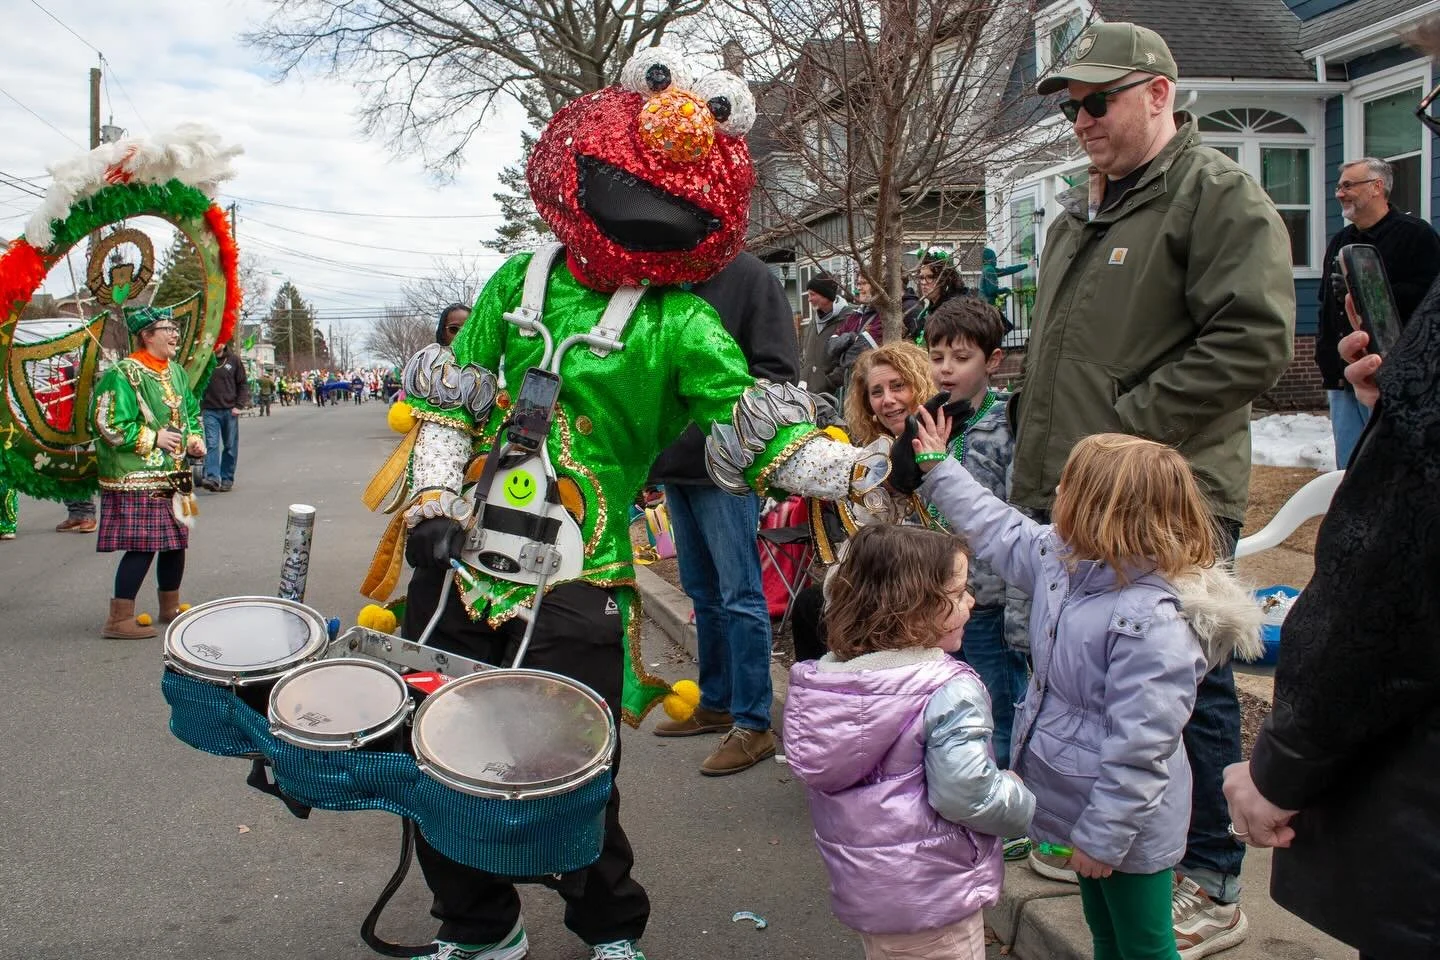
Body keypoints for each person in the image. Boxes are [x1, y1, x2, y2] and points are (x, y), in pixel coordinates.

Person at [365, 48, 886, 960]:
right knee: (440, 749)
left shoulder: (680, 322)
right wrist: (435, 502)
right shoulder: (515, 282)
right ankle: (477, 927)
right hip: (460, 560)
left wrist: (864, 471)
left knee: (574, 763)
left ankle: (608, 927)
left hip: (584, 572)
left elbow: (761, 433)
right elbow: (450, 396)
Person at [1018, 23, 1294, 949]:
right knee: (1083, 670)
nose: (1081, 119)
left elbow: (1253, 341)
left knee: (1191, 691)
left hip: (1165, 500)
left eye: (1098, 101)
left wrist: (1126, 428)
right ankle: (1114, 839)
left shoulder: (1216, 195)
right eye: (1071, 106)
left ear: (1159, 93)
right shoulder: (1077, 211)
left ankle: (1210, 877)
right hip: (1078, 496)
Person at [1223, 34, 1440, 958]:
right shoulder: (1355, 249)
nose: (1343, 200)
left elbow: (1393, 558)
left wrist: (1284, 763)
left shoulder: (1415, 245)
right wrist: (1400, 390)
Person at [912, 422, 1261, 960]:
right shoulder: (1067, 562)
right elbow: (996, 526)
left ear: (1104, 511)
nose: (1055, 495)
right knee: (1104, 934)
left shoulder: (1150, 623)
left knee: (1144, 947)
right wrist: (938, 467)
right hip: (1083, 807)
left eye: (1068, 487)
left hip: (1127, 826)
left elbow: (1141, 750)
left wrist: (1103, 837)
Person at [784, 522, 1035, 960]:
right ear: (912, 608)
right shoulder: (945, 689)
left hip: (872, 891)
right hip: (933, 895)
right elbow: (966, 793)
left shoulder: (831, 685)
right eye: (957, 594)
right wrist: (1020, 797)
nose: (971, 601)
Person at [648, 252, 800, 776]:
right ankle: (715, 704)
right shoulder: (661, 276)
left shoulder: (751, 277)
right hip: (673, 466)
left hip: (727, 466)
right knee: (703, 594)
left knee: (741, 596)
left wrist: (725, 430)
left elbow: (778, 373)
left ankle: (754, 723)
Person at [923, 297, 1029, 772]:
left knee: (998, 706)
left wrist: (1019, 612)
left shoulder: (1006, 424)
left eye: (962, 358)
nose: (946, 370)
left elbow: (1018, 516)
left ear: (994, 361)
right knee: (946, 705)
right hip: (933, 597)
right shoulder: (925, 421)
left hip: (988, 603)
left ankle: (1007, 806)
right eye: (937, 356)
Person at [789, 341, 938, 662]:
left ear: (922, 384)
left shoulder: (947, 441)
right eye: (877, 392)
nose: (888, 400)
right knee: (811, 608)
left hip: (933, 588)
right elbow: (864, 540)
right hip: (884, 584)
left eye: (899, 386)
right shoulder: (870, 455)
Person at [1315, 156, 1440, 466]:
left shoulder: (1416, 235)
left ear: (1377, 187)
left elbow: (1430, 303)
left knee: (1392, 465)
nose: (1340, 193)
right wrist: (1327, 357)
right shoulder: (1341, 241)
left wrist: (1370, 290)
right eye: (1338, 186)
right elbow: (1325, 304)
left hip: (1394, 377)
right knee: (1350, 466)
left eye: (1348, 185)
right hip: (1343, 375)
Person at [91, 306, 206, 639]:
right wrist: (152, 437)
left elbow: (192, 411)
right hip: (136, 474)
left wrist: (195, 439)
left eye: (175, 328)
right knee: (143, 544)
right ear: (146, 335)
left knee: (176, 542)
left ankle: (169, 606)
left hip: (176, 473)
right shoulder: (123, 374)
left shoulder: (177, 373)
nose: (174, 334)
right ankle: (118, 619)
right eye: (166, 328)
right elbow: (106, 424)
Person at [199, 340, 249, 492]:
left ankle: (227, 478)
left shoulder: (234, 360)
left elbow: (242, 384)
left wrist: (239, 405)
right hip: (210, 410)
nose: (217, 344)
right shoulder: (205, 360)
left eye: (220, 341)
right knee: (212, 444)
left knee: (229, 446)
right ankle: (212, 477)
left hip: (230, 410)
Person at [826, 275, 885, 399]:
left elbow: (854, 356)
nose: (859, 288)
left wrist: (841, 354)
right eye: (858, 284)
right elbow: (831, 347)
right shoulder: (855, 316)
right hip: (849, 388)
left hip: (869, 388)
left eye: (864, 283)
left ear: (876, 285)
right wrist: (852, 337)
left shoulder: (883, 317)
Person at [798, 274, 853, 395]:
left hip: (833, 396)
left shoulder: (849, 319)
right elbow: (805, 356)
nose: (809, 299)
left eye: (812, 294)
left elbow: (850, 359)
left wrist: (829, 382)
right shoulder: (813, 321)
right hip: (808, 393)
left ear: (826, 295)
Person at [905, 250, 967, 342]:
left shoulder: (956, 310)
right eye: (921, 277)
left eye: (930, 277)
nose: (923, 282)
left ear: (945, 279)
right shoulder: (928, 310)